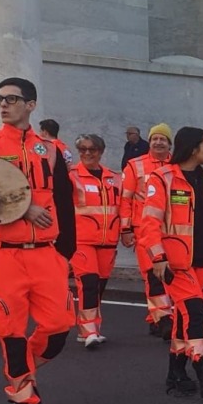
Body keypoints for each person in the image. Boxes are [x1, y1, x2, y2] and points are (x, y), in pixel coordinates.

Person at [0, 78, 78, 404]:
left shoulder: (52, 149)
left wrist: (66, 252)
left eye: (12, 99)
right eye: (0, 98)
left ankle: (23, 372)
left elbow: (64, 201)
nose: (4, 104)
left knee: (59, 329)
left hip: (47, 254)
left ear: (31, 105)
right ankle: (24, 402)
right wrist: (22, 208)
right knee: (11, 334)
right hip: (4, 256)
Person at [137, 127, 203, 398]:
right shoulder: (163, 178)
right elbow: (150, 223)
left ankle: (175, 373)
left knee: (184, 318)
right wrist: (158, 256)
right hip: (176, 264)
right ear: (193, 148)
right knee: (195, 314)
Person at [120, 124, 176, 337]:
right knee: (153, 274)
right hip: (144, 229)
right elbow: (125, 199)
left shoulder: (177, 165)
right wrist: (125, 229)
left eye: (163, 139)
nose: (158, 142)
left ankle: (156, 317)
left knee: (170, 274)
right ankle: (163, 319)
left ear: (169, 143)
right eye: (155, 139)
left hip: (173, 230)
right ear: (149, 141)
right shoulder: (135, 165)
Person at [68, 133, 120, 349]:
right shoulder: (71, 176)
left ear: (101, 151)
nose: (87, 153)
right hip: (82, 240)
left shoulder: (115, 178)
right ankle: (89, 330)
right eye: (83, 149)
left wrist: (126, 230)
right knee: (88, 283)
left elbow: (123, 206)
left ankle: (89, 328)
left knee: (98, 286)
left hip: (108, 240)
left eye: (92, 149)